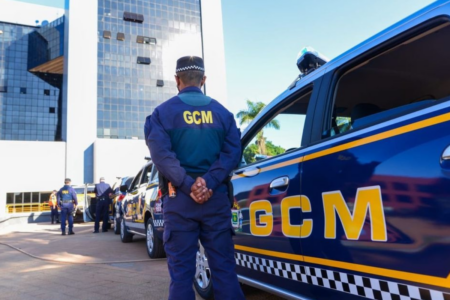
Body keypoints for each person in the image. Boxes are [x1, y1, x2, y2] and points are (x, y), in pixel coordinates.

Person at [147, 56, 244, 300]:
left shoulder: (161, 114)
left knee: (181, 275)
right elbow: (233, 153)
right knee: (224, 270)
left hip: (179, 202)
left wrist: (189, 185)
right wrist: (208, 183)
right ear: (204, 80)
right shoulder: (223, 114)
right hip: (216, 200)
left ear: (176, 80)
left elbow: (162, 156)